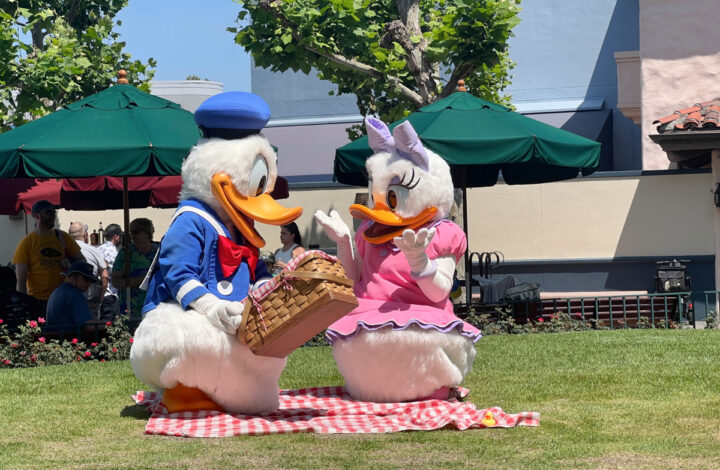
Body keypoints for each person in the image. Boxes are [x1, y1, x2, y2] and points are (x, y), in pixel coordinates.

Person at [12, 200, 84, 314]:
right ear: (36, 216)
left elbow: (82, 263)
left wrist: (71, 266)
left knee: (64, 331)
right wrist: (22, 306)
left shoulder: (62, 237)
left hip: (63, 297)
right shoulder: (26, 243)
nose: (53, 215)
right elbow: (21, 280)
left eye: (54, 212)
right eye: (48, 212)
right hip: (38, 301)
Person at [111, 218, 159, 316]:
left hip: (154, 308)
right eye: (131, 232)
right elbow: (115, 281)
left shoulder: (158, 253)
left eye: (136, 232)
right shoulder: (125, 253)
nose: (132, 235)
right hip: (129, 310)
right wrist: (138, 281)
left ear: (147, 233)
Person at [68, 222, 108, 316]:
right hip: (90, 296)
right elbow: (105, 276)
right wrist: (102, 298)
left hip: (68, 294)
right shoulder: (93, 250)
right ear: (85, 234)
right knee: (90, 325)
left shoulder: (64, 249)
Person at [45, 261, 98, 332]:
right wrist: (109, 324)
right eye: (86, 279)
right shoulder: (75, 294)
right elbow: (90, 326)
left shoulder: (58, 290)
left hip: (54, 339)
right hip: (67, 339)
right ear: (72, 277)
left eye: (91, 280)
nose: (89, 283)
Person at [97, 223, 123, 320]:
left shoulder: (99, 248)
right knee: (110, 325)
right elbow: (115, 272)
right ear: (116, 236)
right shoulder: (113, 251)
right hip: (110, 293)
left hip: (99, 293)